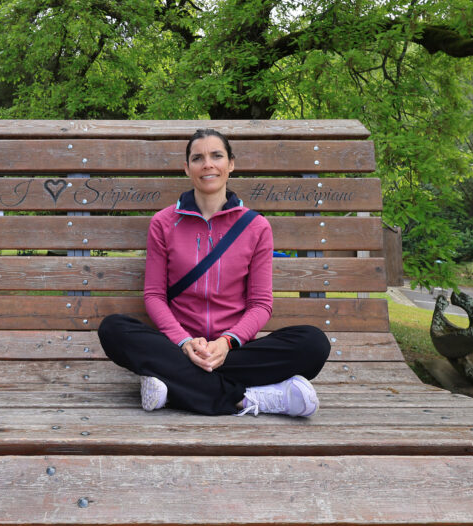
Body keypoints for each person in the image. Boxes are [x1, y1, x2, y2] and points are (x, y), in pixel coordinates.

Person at [97, 129, 330, 416]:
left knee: (313, 344)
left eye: (216, 156)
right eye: (198, 158)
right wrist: (184, 343)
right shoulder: (163, 223)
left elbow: (260, 304)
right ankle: (248, 399)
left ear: (231, 164)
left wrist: (226, 342)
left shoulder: (256, 227)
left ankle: (172, 387)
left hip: (234, 351)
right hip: (178, 346)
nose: (208, 164)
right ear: (187, 168)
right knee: (113, 329)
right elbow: (155, 295)